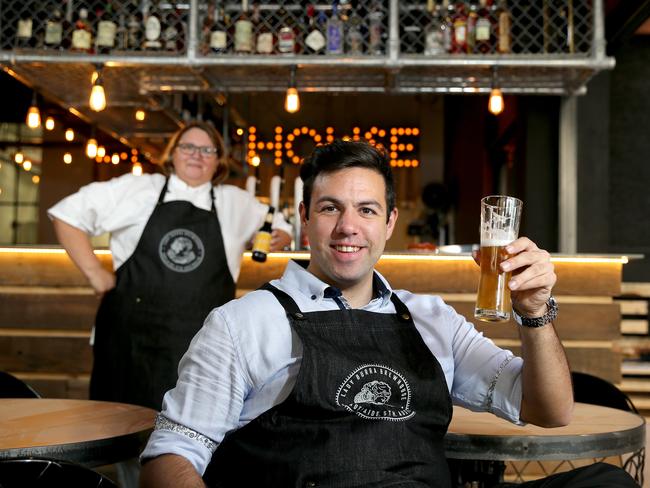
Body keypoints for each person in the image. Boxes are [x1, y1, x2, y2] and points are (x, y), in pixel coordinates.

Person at [139, 140, 636, 488]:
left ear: (390, 222)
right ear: (305, 216)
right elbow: (170, 456)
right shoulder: (241, 323)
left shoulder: (431, 319)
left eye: (367, 210)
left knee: (607, 482)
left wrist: (535, 313)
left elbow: (548, 410)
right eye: (330, 208)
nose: (348, 227)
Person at [48, 121, 292, 411]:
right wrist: (94, 273)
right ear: (172, 154)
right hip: (128, 341)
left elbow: (278, 224)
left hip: (203, 345)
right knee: (118, 429)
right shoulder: (137, 189)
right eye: (187, 147)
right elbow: (66, 214)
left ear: (218, 161)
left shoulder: (234, 202)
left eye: (207, 150)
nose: (196, 155)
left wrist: (281, 235)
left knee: (192, 433)